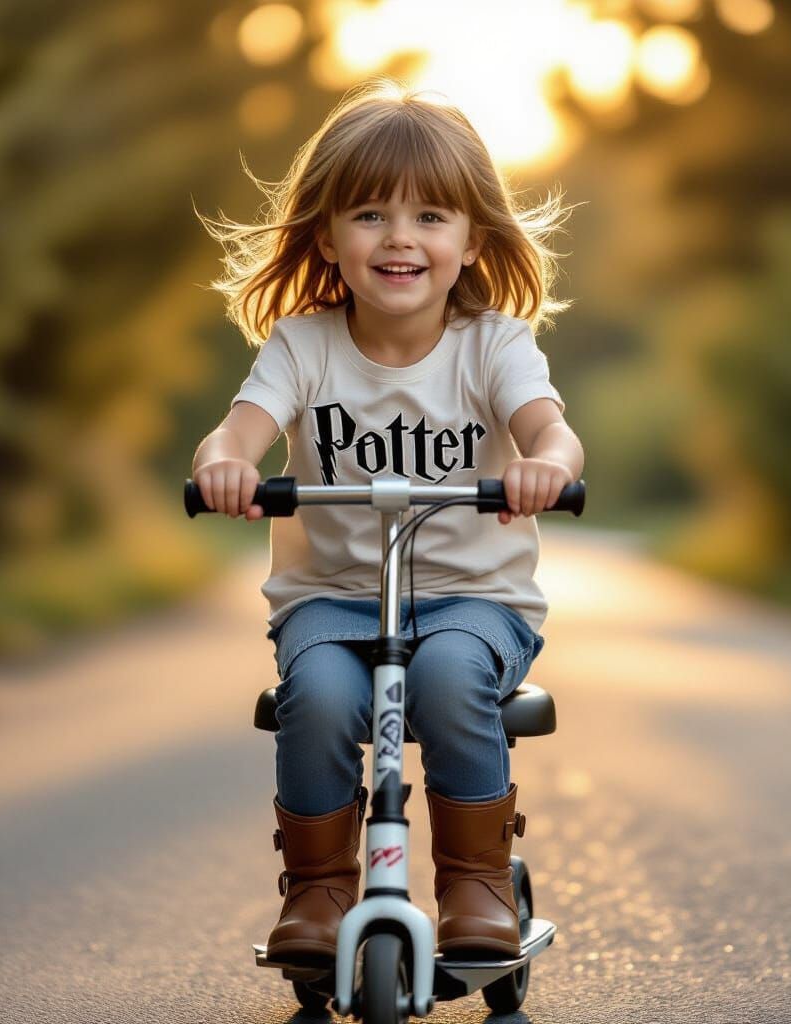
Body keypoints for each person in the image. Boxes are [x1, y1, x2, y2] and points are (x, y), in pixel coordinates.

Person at [192, 77, 585, 963]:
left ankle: (475, 880)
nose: (400, 237)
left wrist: (542, 469)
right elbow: (240, 427)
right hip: (332, 599)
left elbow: (552, 433)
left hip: (471, 600)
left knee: (448, 676)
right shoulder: (303, 344)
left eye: (431, 217)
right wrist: (225, 463)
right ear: (327, 236)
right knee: (322, 696)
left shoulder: (496, 345)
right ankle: (321, 891)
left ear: (471, 238)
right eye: (370, 214)